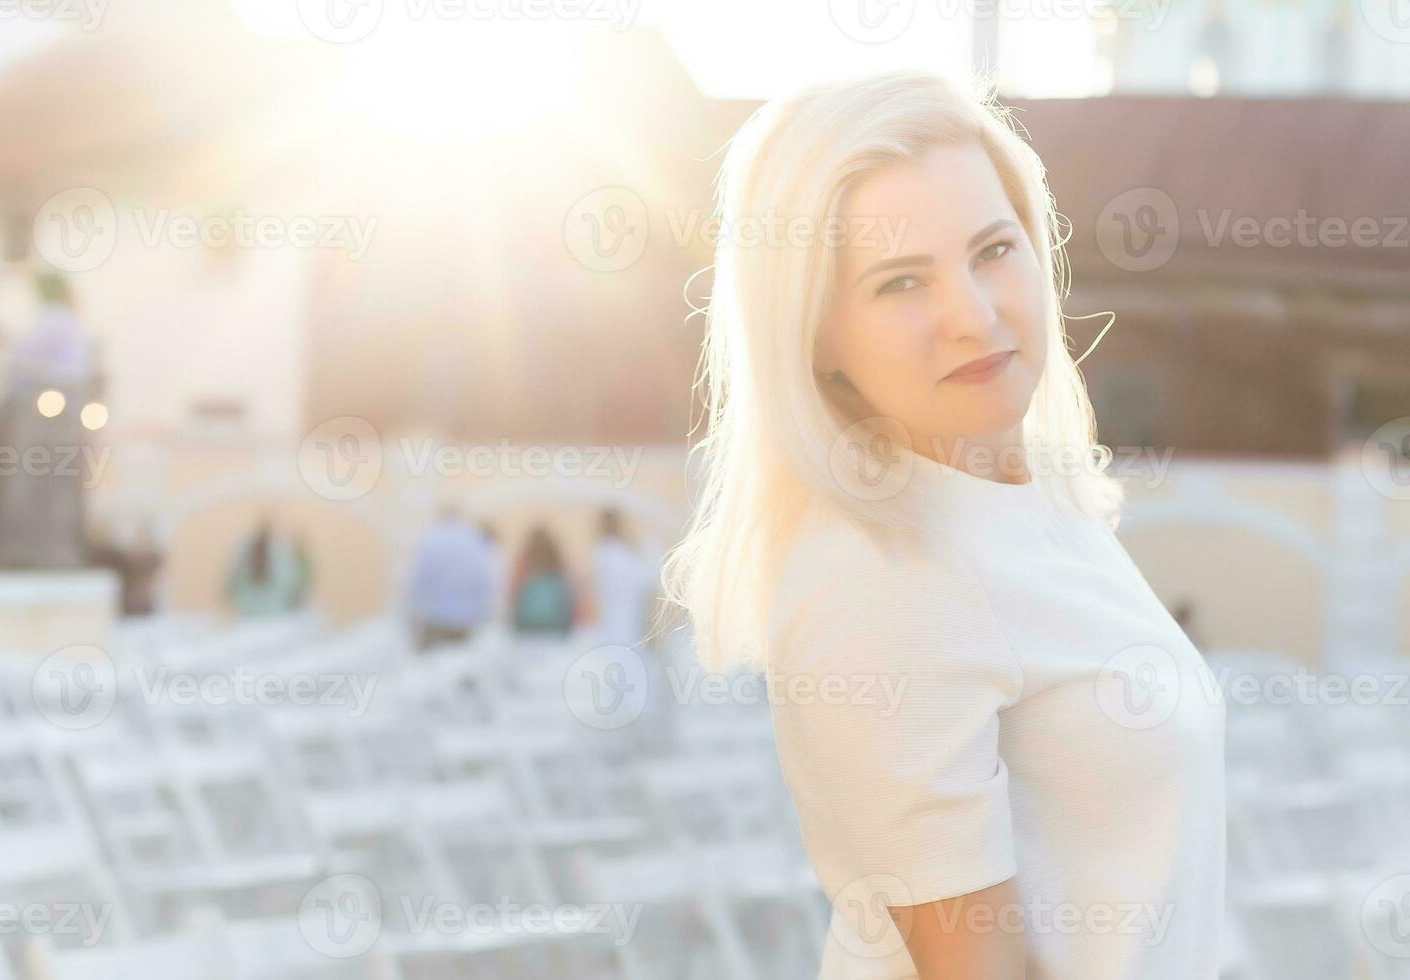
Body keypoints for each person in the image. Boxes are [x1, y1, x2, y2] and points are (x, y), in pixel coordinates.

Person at [660, 73, 1224, 979]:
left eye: (994, 250)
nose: (972, 315)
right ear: (815, 338)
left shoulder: (1037, 505)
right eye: (900, 282)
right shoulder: (881, 575)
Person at [0, 272, 95, 569]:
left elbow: (18, 360)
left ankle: (26, 551)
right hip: (64, 411)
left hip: (44, 412)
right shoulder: (72, 322)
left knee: (31, 480)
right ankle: (53, 551)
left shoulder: (53, 320)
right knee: (55, 482)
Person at [405, 506, 493, 650]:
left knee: (430, 667)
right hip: (465, 623)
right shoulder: (474, 541)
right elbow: (484, 582)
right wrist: (482, 616)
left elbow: (418, 582)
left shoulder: (430, 541)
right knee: (459, 667)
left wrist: (414, 616)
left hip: (434, 620)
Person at [591, 507, 658, 647]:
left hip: (616, 614)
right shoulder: (616, 553)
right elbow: (644, 578)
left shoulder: (604, 552)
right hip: (625, 613)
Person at [225, 519, 306, 618]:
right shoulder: (243, 554)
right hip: (250, 618)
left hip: (276, 617)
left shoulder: (280, 555)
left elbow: (293, 588)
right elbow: (229, 586)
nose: (259, 560)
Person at [509, 527, 573, 637]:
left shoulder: (525, 572)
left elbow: (515, 599)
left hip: (527, 630)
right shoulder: (558, 573)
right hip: (554, 631)